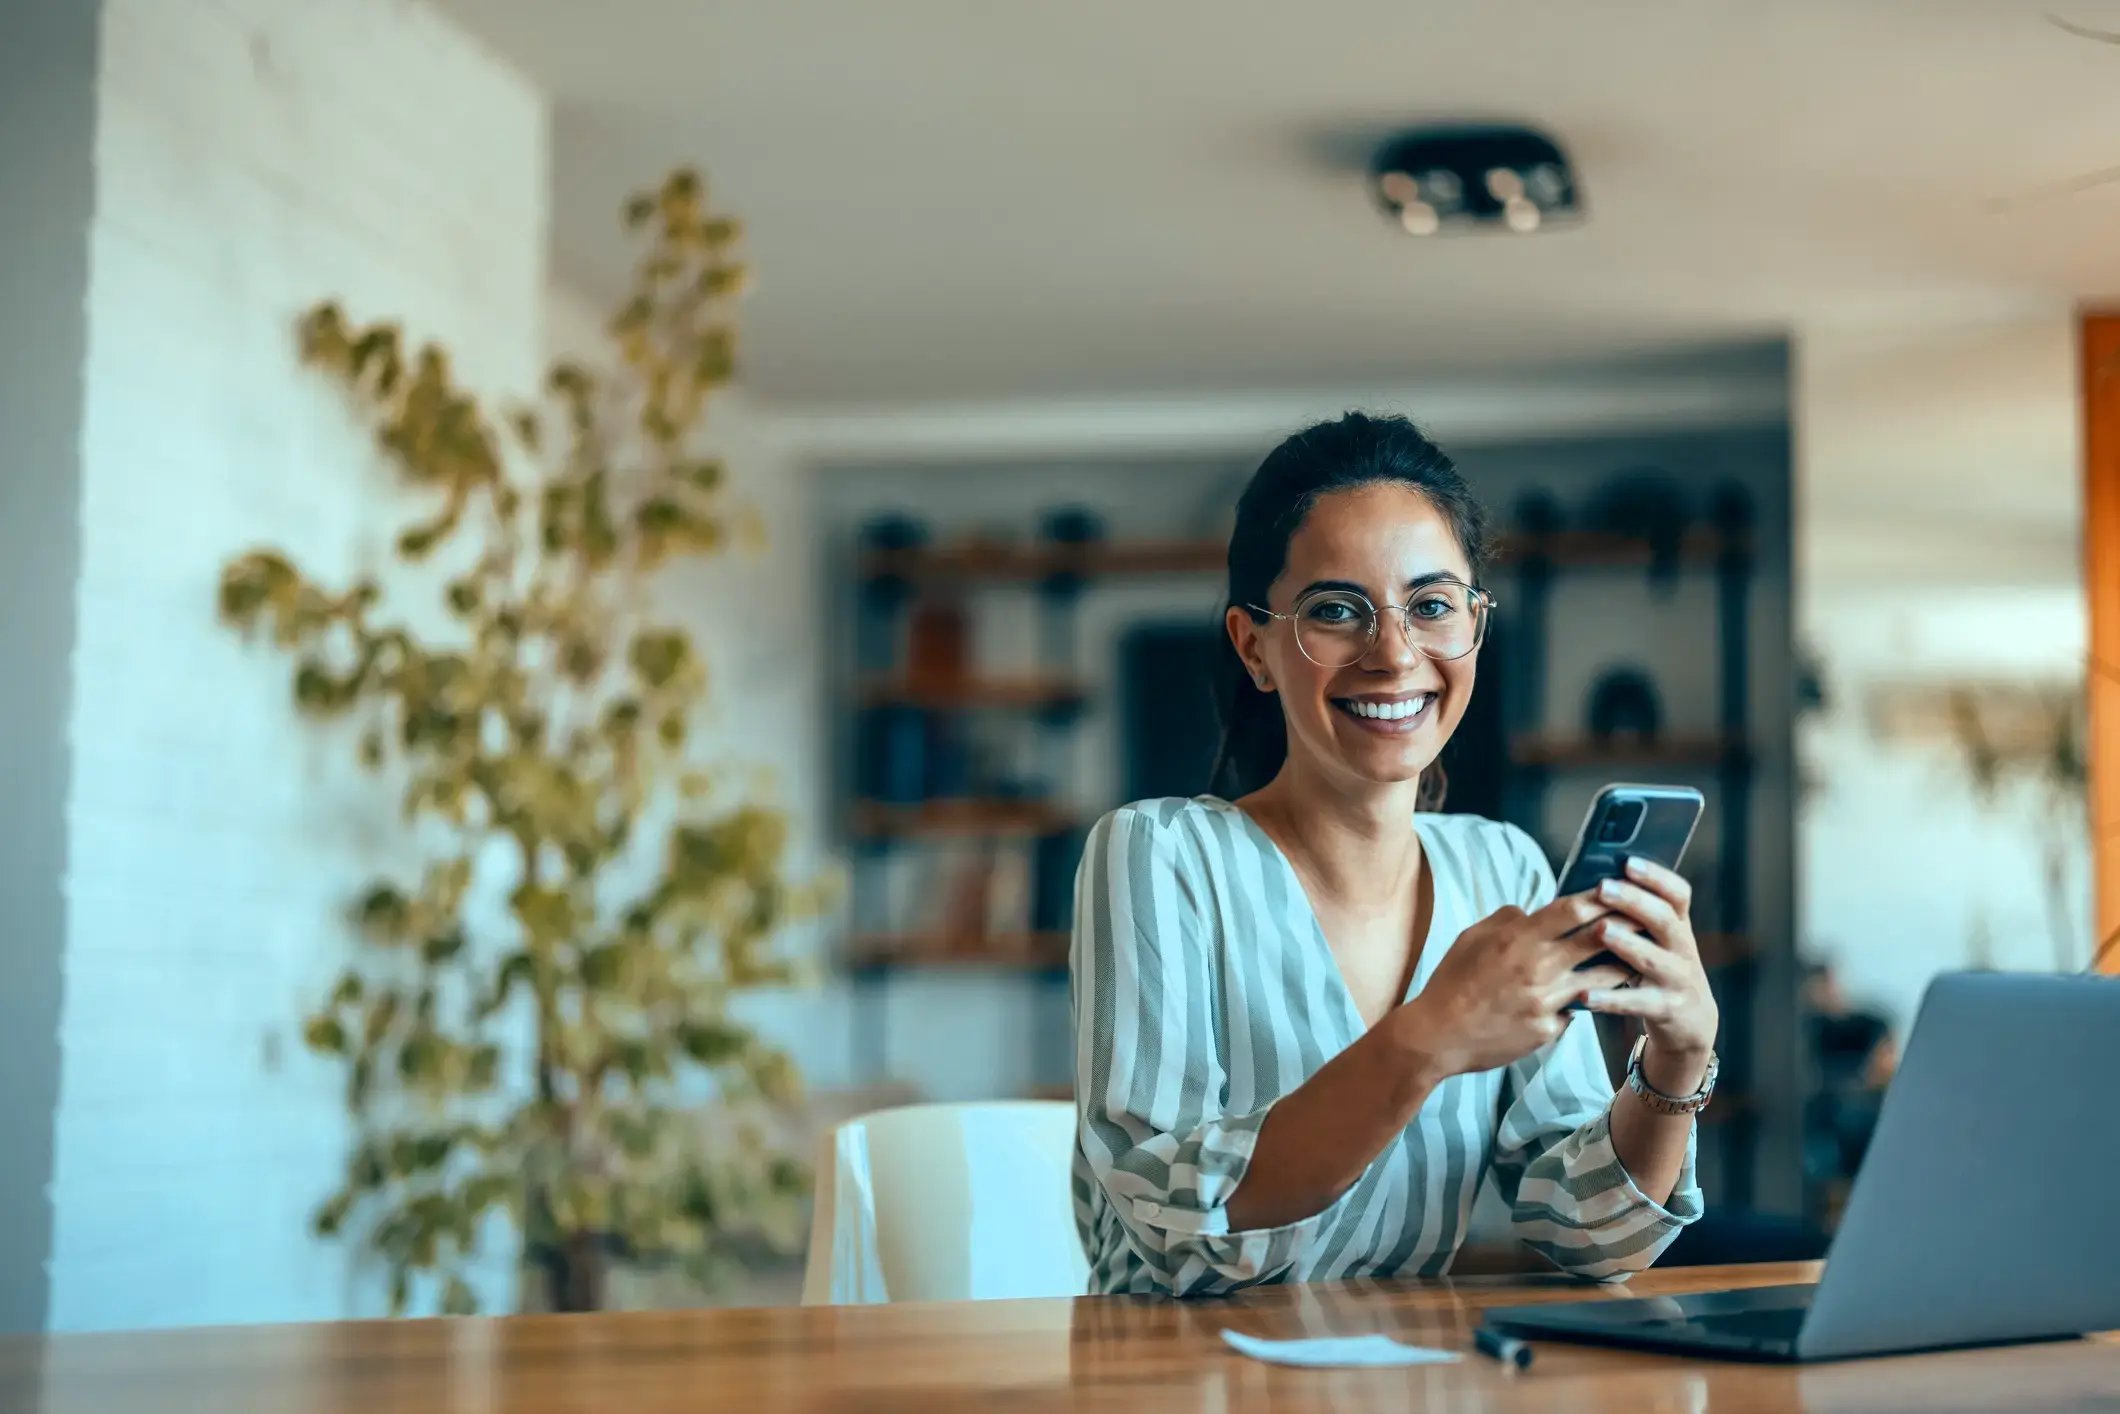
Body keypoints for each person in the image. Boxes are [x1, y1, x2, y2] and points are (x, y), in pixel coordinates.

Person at [1069, 413, 1719, 1297]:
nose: (1395, 652)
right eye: (1337, 610)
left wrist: (1674, 1065)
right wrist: (1429, 1036)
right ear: (1253, 645)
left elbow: (1587, 1234)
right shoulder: (1159, 855)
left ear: (1474, 630)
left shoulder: (1504, 872)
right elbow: (1174, 1233)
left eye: (1432, 604)